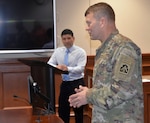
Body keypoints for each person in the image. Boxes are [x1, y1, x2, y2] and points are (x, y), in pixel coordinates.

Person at [69, 2, 144, 123]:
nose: (87, 28)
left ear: (102, 22)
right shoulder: (106, 48)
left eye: (89, 23)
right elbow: (107, 86)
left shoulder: (125, 48)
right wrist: (87, 92)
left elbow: (122, 90)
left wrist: (88, 95)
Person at [47, 29, 87, 123]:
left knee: (78, 111)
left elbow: (81, 68)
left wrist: (67, 69)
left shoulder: (80, 52)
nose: (66, 41)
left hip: (77, 83)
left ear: (73, 38)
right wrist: (57, 67)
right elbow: (49, 64)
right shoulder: (58, 51)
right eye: (64, 39)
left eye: (69, 38)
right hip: (65, 84)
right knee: (63, 110)